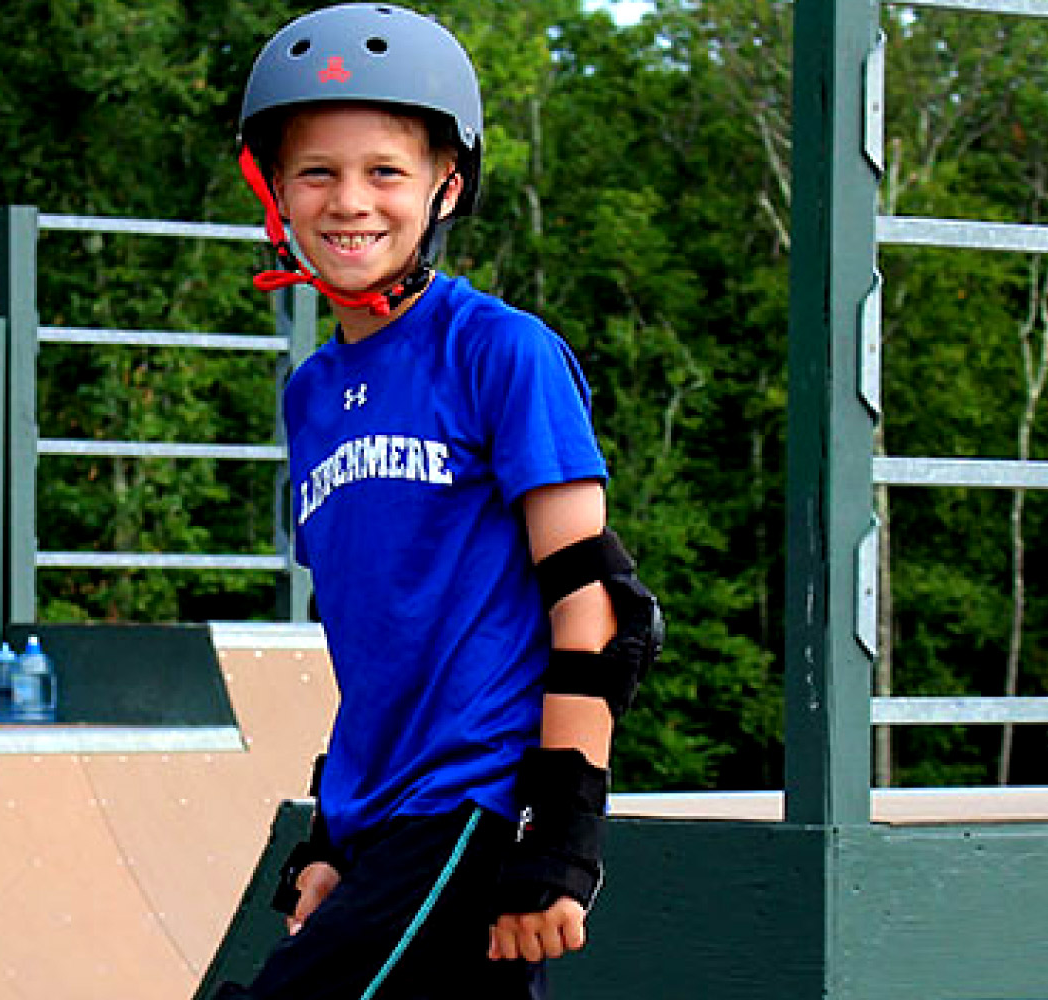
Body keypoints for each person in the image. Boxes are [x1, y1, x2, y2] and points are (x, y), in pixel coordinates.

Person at [214, 5, 663, 997]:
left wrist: (560, 839)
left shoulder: (502, 352)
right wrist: (334, 834)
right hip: (381, 823)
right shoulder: (311, 397)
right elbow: (379, 643)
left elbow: (596, 608)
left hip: (474, 806)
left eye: (385, 171)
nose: (349, 202)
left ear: (445, 184)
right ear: (275, 190)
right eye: (316, 172)